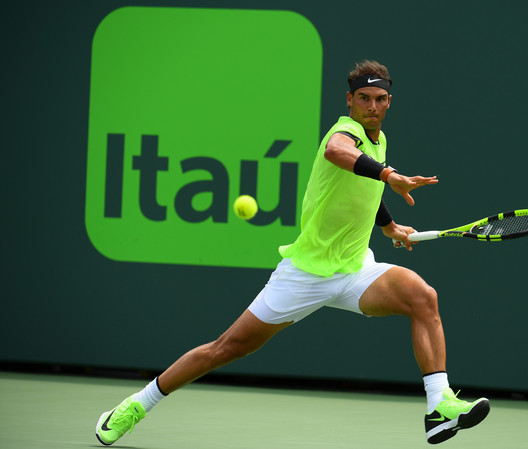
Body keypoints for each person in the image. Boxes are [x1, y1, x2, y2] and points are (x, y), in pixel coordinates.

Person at [95, 60, 490, 446]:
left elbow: (362, 191)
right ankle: (135, 405)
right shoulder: (344, 132)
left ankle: (439, 406)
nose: (373, 106)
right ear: (349, 100)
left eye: (381, 99)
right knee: (226, 348)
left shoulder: (378, 140)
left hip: (354, 270)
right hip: (307, 273)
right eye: (364, 98)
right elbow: (339, 153)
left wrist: (388, 226)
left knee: (423, 297)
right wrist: (388, 175)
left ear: (389, 102)